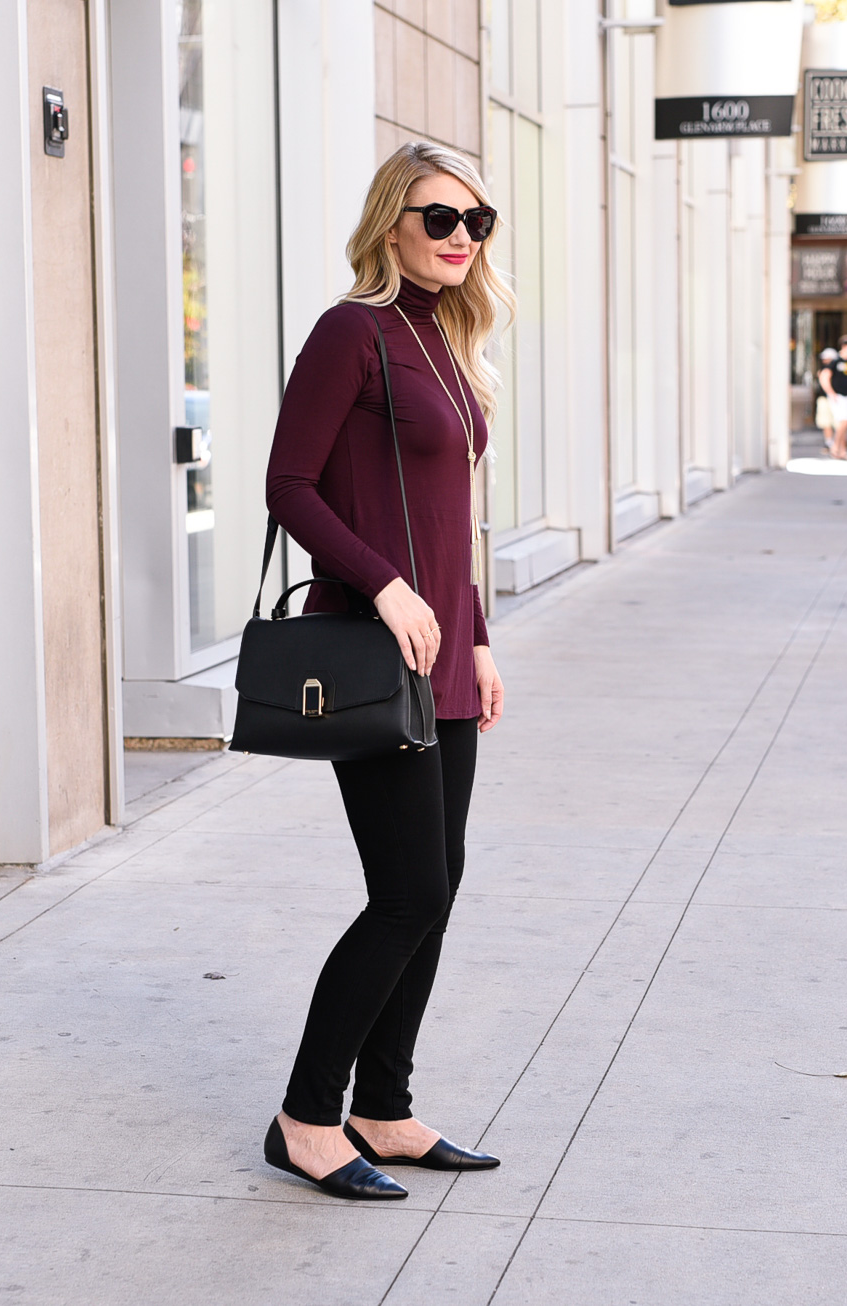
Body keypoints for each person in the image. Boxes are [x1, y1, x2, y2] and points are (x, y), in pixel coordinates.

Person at [260, 141, 513, 1201]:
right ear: (390, 226)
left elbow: (450, 520)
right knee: (406, 892)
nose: (460, 238)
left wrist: (478, 629)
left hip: (442, 651)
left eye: (476, 221)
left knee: (438, 886)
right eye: (438, 219)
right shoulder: (349, 331)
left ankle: (385, 1106)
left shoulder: (444, 341)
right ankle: (308, 1118)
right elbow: (290, 485)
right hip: (374, 650)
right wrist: (387, 585)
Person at [820, 337, 847, 459]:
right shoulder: (835, 361)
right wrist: (831, 393)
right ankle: (835, 447)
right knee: (844, 421)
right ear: (844, 346)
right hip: (838, 396)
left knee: (845, 424)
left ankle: (842, 451)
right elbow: (824, 376)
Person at [815, 348, 838, 452]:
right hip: (826, 398)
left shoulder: (831, 369)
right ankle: (830, 443)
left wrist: (832, 394)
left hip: (833, 398)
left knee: (835, 422)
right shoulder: (824, 370)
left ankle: (836, 443)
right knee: (827, 422)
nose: (824, 360)